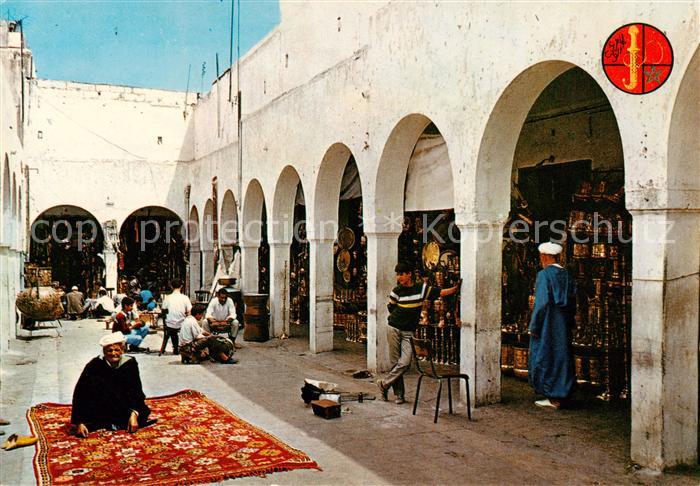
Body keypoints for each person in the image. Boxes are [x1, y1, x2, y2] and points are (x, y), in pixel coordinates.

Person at [376, 262, 461, 404]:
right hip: (394, 329)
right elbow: (391, 307)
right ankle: (399, 395)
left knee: (405, 363)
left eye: (402, 274)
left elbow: (439, 292)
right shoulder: (396, 291)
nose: (399, 277)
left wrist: (456, 288)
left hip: (408, 332)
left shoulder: (421, 289)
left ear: (409, 274)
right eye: (397, 275)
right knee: (395, 362)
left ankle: (384, 384)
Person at [71, 333, 152, 436]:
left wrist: (134, 414)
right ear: (104, 352)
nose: (113, 353)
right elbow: (81, 393)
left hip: (123, 406)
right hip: (101, 406)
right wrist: (80, 422)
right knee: (91, 421)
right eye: (109, 350)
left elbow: (136, 390)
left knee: (141, 412)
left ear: (122, 350)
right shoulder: (94, 366)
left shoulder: (130, 364)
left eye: (117, 350)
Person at [528, 241, 576, 409]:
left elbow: (541, 304)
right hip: (563, 323)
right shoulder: (567, 275)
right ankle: (563, 393)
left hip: (548, 322)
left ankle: (553, 396)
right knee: (562, 356)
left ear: (544, 256)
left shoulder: (544, 275)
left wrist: (534, 326)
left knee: (545, 356)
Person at [159, 278, 191, 356]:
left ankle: (175, 347)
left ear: (171, 287)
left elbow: (163, 310)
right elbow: (189, 312)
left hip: (169, 324)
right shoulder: (185, 298)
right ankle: (186, 346)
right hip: (181, 324)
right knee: (188, 322)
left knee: (173, 328)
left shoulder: (167, 298)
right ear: (181, 286)